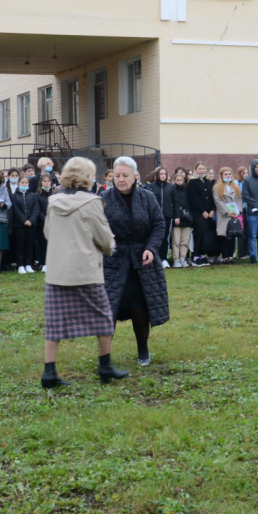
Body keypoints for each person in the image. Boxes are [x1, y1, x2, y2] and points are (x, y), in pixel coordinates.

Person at [39, 156, 124, 388]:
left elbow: (48, 232)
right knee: (104, 318)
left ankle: (49, 372)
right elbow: (105, 239)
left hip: (57, 272)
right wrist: (109, 247)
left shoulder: (53, 201)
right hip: (85, 270)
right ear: (88, 177)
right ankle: (105, 366)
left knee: (55, 323)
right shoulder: (92, 202)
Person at [101, 156, 169, 367]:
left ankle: (143, 350)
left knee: (140, 308)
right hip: (113, 261)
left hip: (142, 262)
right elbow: (92, 225)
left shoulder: (148, 198)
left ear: (135, 176)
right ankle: (105, 358)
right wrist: (103, 237)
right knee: (110, 308)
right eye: (117, 175)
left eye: (125, 175)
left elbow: (159, 225)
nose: (120, 179)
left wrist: (150, 248)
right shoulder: (103, 197)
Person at [143, 166, 174, 268]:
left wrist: (176, 215)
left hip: (167, 216)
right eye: (161, 174)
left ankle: (164, 258)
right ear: (157, 175)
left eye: (165, 174)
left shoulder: (170, 187)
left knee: (165, 237)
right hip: (155, 216)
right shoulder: (151, 187)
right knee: (155, 237)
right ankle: (156, 258)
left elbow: (175, 202)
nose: (163, 176)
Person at [9, 174, 40, 274]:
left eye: (26, 183)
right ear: (19, 183)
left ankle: (28, 264)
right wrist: (24, 220)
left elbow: (36, 209)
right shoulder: (14, 196)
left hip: (31, 225)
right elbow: (15, 209)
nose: (24, 184)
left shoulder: (33, 195)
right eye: (22, 183)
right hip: (19, 225)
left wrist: (31, 220)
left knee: (29, 245)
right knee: (20, 245)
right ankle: (20, 265)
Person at [187, 163, 216, 266]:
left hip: (209, 213)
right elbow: (194, 199)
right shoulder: (192, 182)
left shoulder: (208, 182)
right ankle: (196, 256)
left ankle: (203, 255)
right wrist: (203, 211)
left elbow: (212, 197)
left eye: (203, 169)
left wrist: (212, 210)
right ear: (196, 170)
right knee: (200, 234)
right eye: (199, 169)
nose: (202, 171)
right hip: (198, 213)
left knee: (206, 234)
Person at [212, 167, 243, 264]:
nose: (228, 176)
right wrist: (226, 212)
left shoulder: (236, 187)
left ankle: (231, 256)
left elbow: (239, 200)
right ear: (221, 176)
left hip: (234, 215)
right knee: (224, 236)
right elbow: (218, 201)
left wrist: (238, 211)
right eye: (226, 174)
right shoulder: (217, 187)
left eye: (229, 174)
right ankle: (225, 257)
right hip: (224, 215)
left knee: (233, 235)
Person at [169, 170, 194, 268]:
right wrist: (176, 216)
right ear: (174, 180)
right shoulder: (172, 190)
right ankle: (176, 259)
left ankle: (183, 258)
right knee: (176, 241)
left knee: (185, 241)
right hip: (176, 218)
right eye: (177, 180)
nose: (179, 182)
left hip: (186, 218)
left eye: (181, 180)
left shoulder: (187, 190)